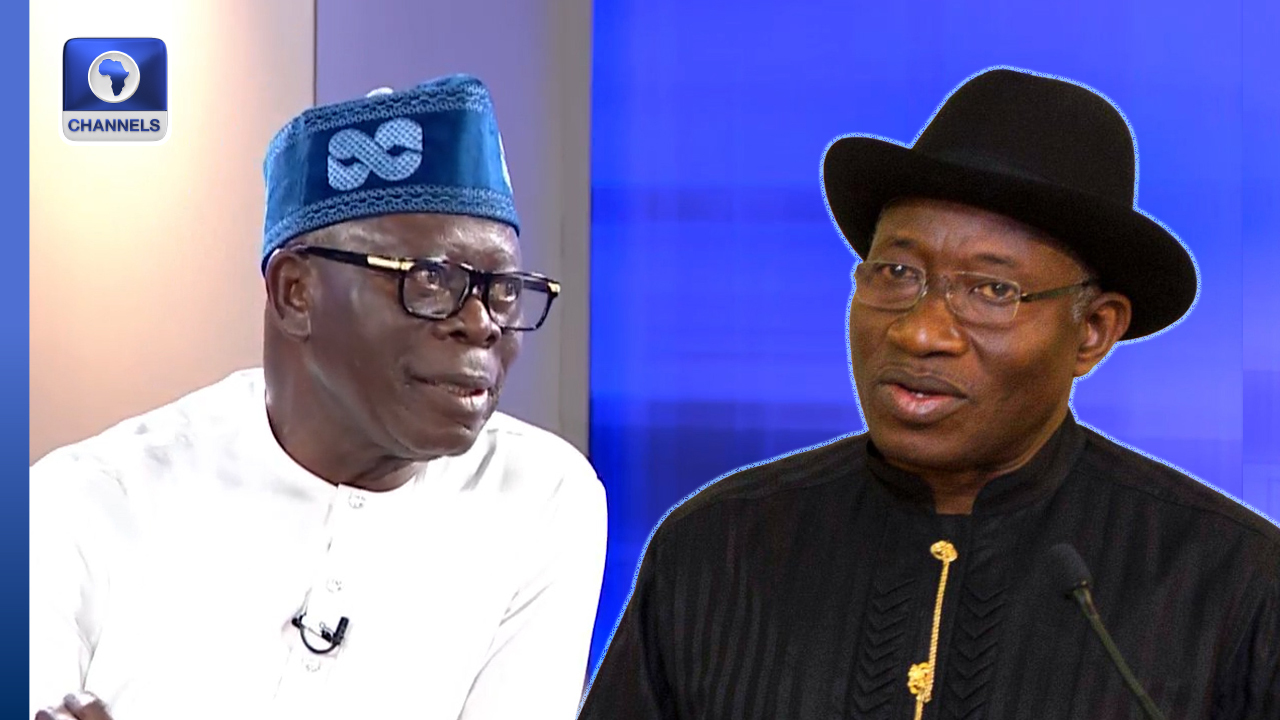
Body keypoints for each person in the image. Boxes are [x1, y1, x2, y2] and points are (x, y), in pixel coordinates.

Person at [577, 68, 1279, 719]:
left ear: (1093, 332)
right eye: (896, 273)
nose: (919, 332)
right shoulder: (718, 548)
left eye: (992, 290)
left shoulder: (1232, 584)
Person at [30, 74, 608, 720]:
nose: (480, 324)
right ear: (295, 292)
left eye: (502, 289)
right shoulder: (85, 501)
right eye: (430, 279)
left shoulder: (540, 496)